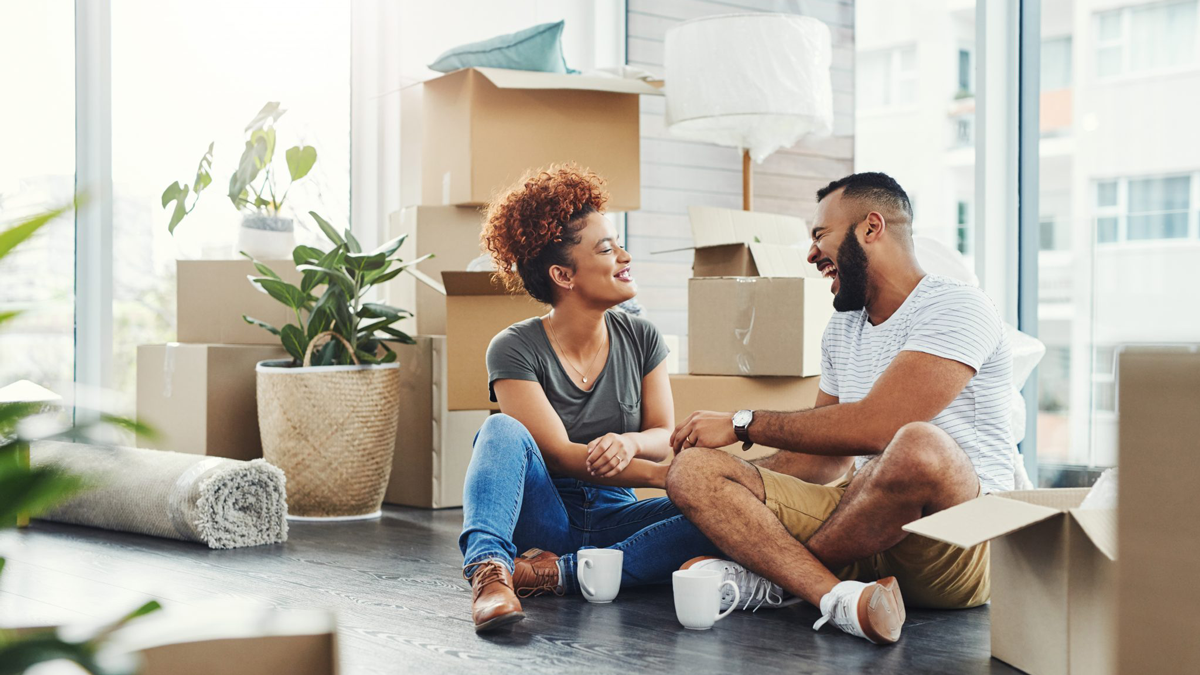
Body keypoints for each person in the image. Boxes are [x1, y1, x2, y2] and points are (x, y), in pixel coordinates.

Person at [666, 172, 1013, 645]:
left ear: (871, 228)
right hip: (862, 523)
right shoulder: (842, 329)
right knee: (693, 472)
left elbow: (879, 429)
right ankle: (838, 598)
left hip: (959, 538)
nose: (811, 254)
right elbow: (821, 461)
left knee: (918, 445)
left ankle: (782, 582)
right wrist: (727, 478)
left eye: (819, 235)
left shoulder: (957, 306)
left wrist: (743, 423)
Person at [459, 165, 720, 632]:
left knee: (726, 515)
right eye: (606, 248)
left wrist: (632, 443)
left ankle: (555, 573)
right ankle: (491, 574)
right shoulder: (513, 347)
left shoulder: (641, 336)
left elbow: (663, 434)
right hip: (545, 514)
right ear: (563, 274)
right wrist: (670, 479)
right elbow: (557, 456)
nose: (624, 255)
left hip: (616, 511)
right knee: (498, 428)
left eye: (618, 243)